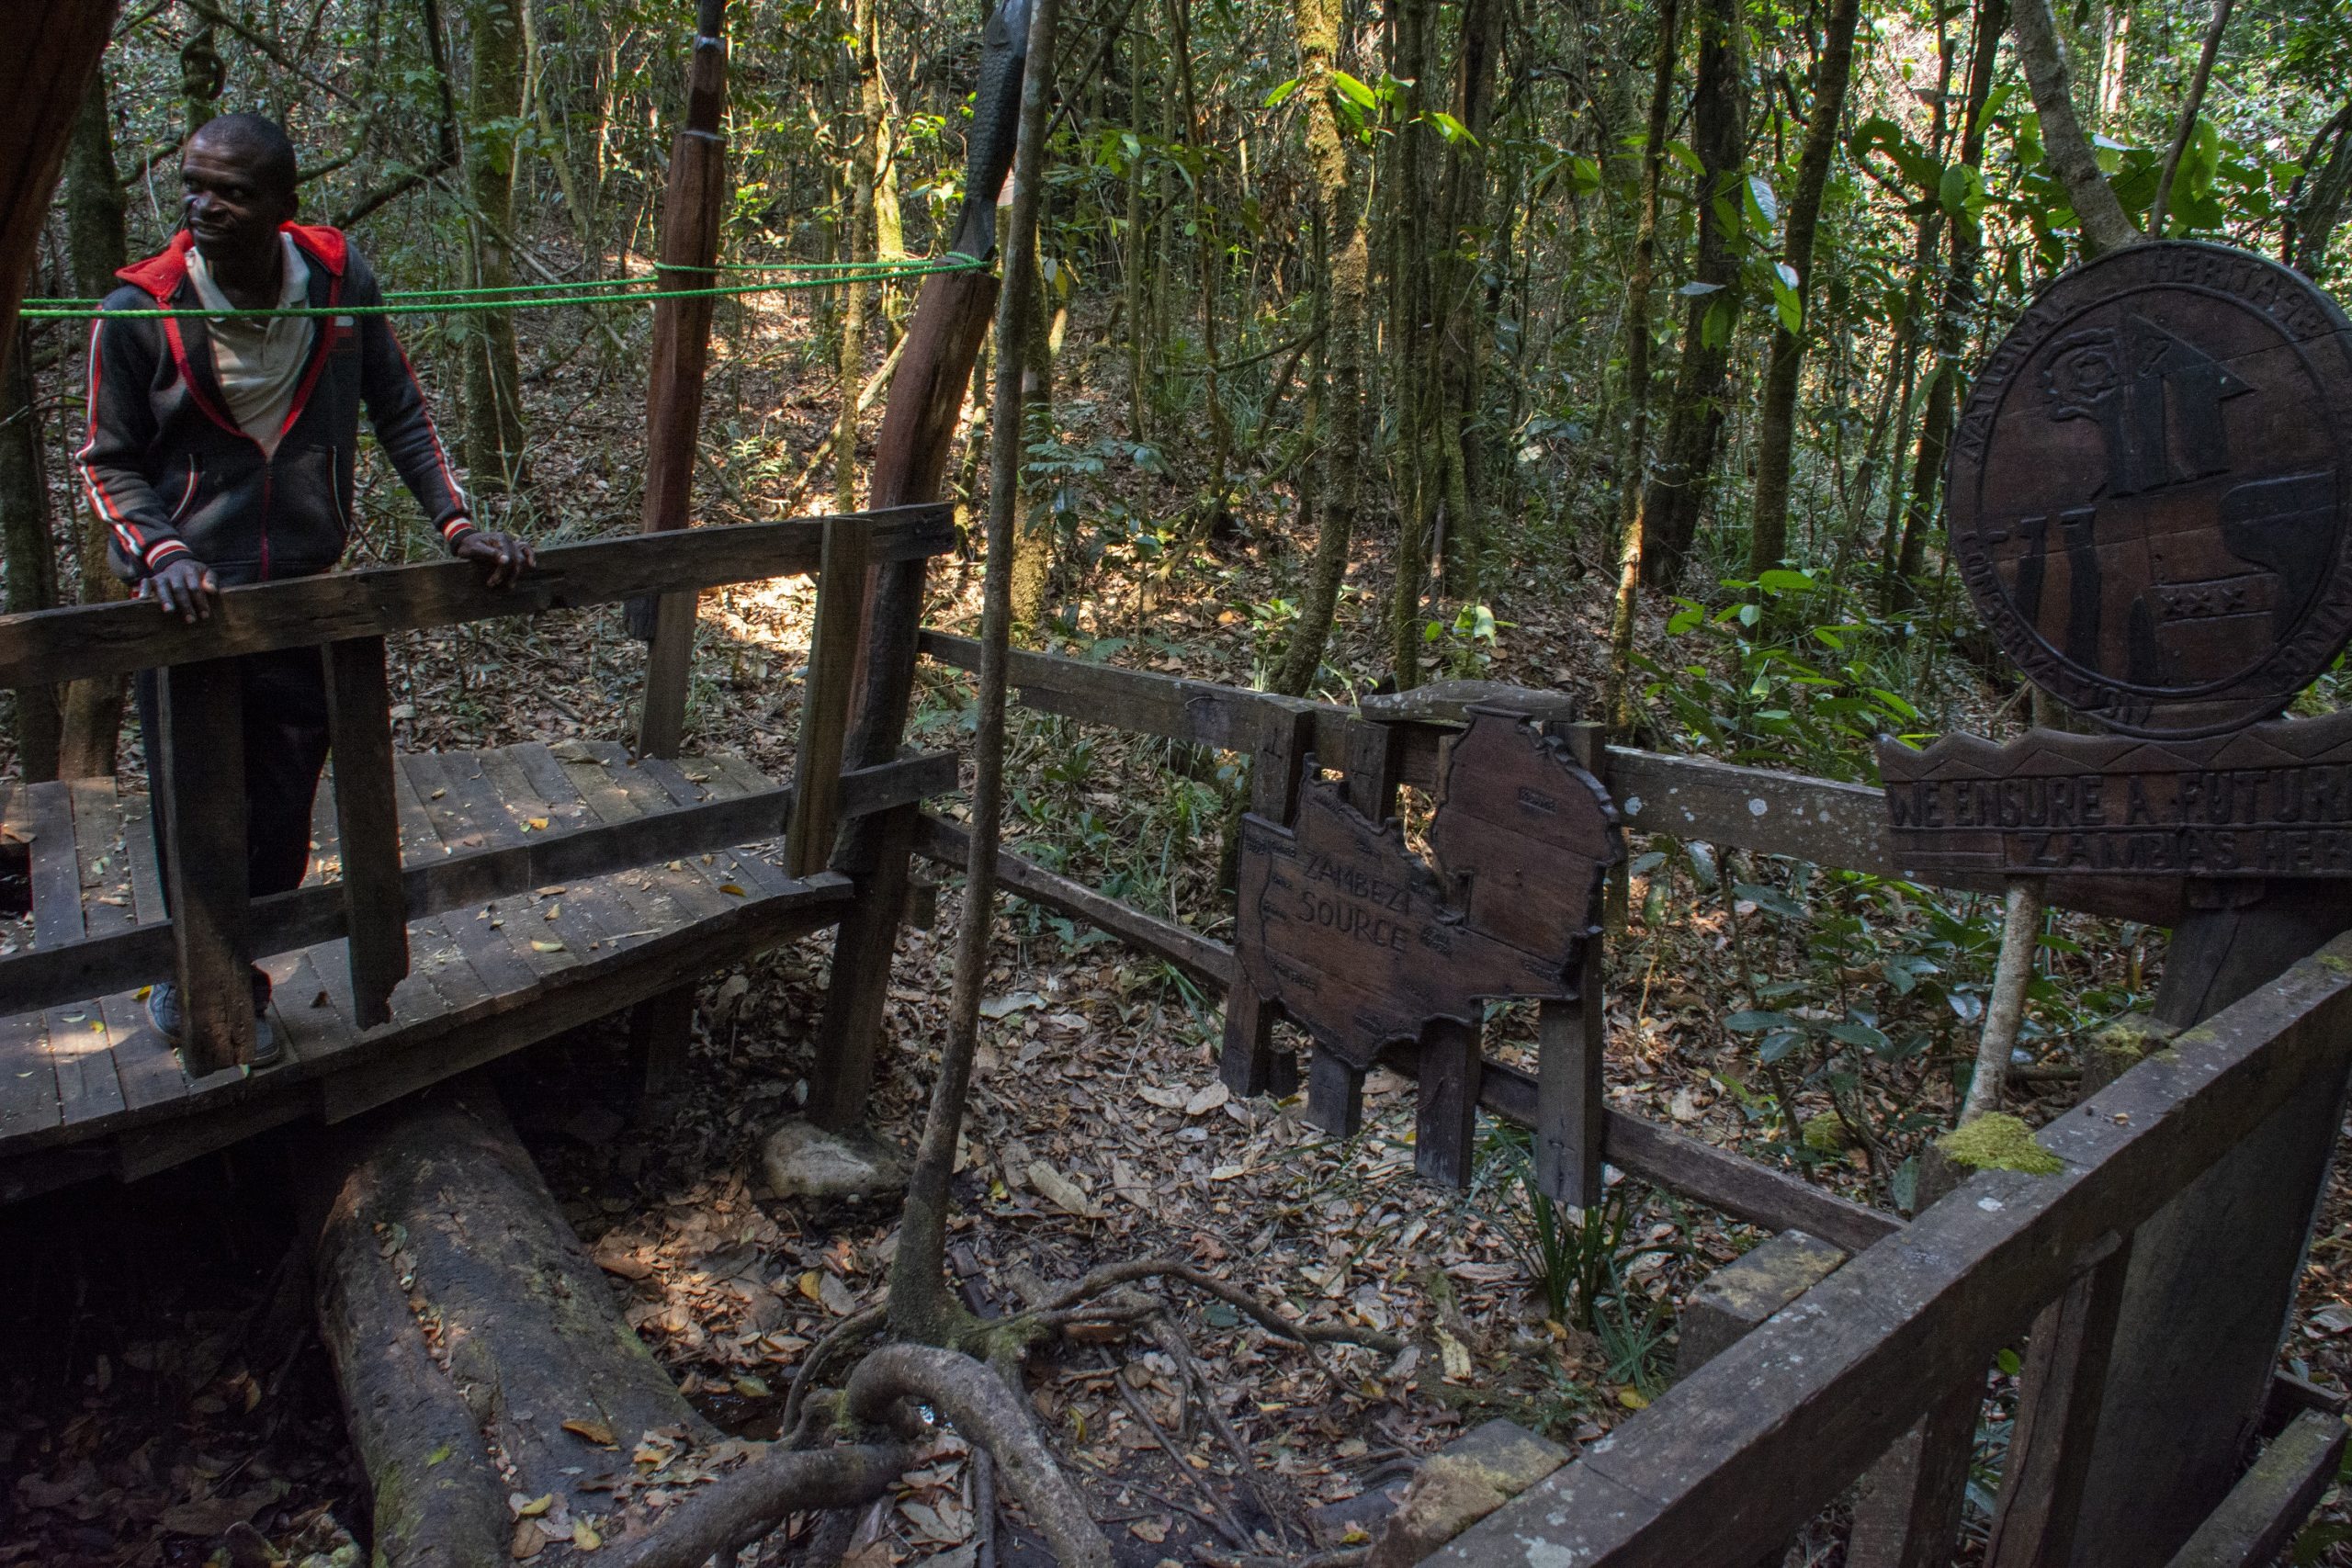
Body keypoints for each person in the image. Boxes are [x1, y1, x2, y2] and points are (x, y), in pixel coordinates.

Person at [75, 112, 536, 1066]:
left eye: (232, 191)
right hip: (188, 606)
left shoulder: (336, 282)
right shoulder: (138, 311)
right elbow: (105, 463)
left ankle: (245, 970)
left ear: (285, 205)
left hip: (305, 595)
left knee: (283, 805)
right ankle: (198, 987)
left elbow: (400, 409)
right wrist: (160, 551)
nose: (205, 206)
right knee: (195, 801)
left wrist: (457, 522)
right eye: (195, 185)